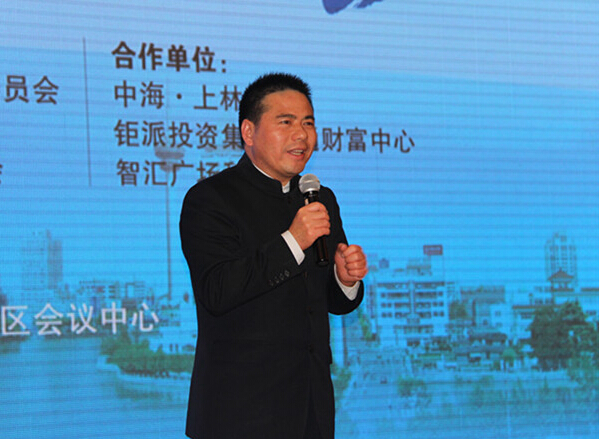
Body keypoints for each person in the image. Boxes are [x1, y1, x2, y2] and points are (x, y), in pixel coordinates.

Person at [179, 72, 368, 439]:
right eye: (286, 123)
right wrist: (293, 241)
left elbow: (329, 301)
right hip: (240, 416)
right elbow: (217, 291)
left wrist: (345, 280)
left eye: (308, 123)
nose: (302, 135)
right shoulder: (210, 200)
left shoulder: (320, 198)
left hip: (312, 412)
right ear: (248, 132)